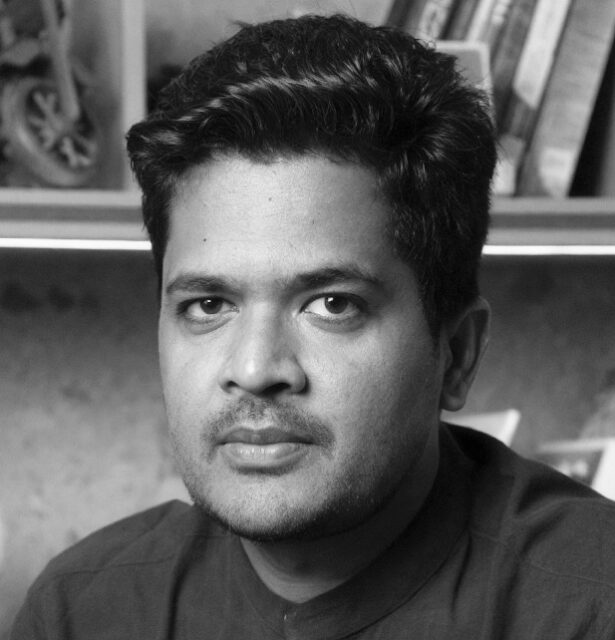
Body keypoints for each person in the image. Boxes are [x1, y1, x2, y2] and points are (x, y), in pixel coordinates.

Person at [10, 13, 615, 640]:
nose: (254, 370)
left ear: (457, 354)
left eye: (332, 304)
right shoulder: (82, 610)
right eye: (209, 305)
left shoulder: (591, 603)